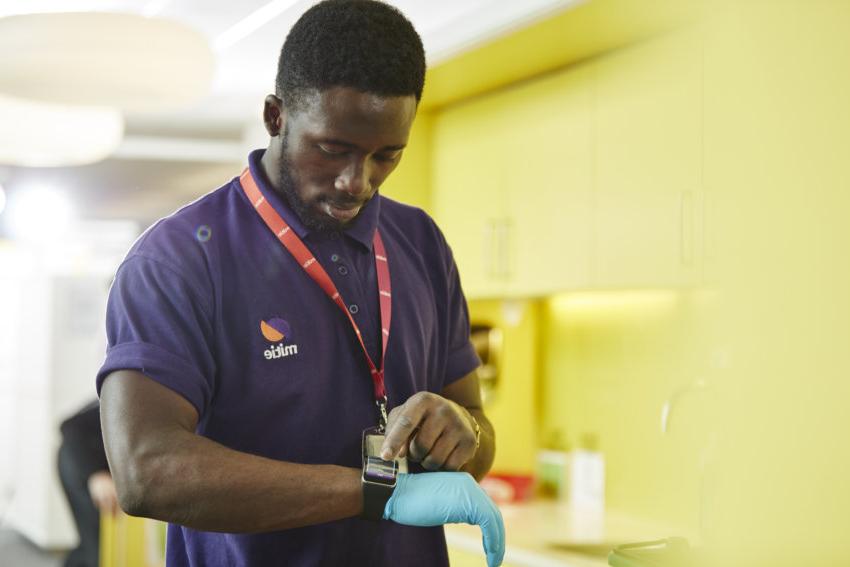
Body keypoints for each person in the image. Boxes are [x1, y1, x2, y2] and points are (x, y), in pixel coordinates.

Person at [97, 1, 504, 566]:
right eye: (332, 149)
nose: (356, 182)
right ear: (275, 116)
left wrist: (464, 434)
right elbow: (146, 471)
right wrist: (374, 493)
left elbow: (477, 433)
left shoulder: (421, 243)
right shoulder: (176, 261)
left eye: (387, 156)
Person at [58, 400, 118, 567]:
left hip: (106, 468)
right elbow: (70, 426)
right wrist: (96, 474)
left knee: (94, 545)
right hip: (79, 460)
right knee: (98, 548)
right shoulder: (125, 389)